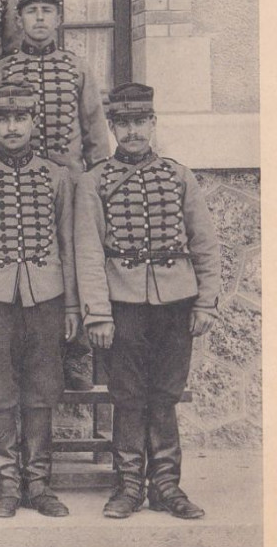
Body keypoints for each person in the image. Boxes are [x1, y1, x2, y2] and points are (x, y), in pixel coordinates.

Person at [74, 83, 222, 521]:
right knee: (128, 394)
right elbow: (89, 251)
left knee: (166, 393)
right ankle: (128, 485)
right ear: (113, 127)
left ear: (153, 124)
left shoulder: (179, 176)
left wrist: (206, 302)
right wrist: (98, 312)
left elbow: (205, 243)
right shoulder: (94, 181)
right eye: (124, 123)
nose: (133, 131)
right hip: (123, 304)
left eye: (141, 122)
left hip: (177, 300)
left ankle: (167, 487)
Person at [0, 83, 78, 519]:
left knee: (42, 389)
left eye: (19, 118)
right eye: (3, 119)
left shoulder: (57, 177)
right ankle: (5, 485)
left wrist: (74, 307)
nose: (11, 127)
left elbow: (68, 243)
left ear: (33, 122)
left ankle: (39, 484)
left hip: (46, 297)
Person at [0, 0, 110, 173]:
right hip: (17, 181)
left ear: (58, 19)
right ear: (19, 20)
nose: (40, 17)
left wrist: (98, 179)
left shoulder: (78, 68)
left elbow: (95, 131)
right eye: (32, 11)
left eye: (47, 11)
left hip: (70, 179)